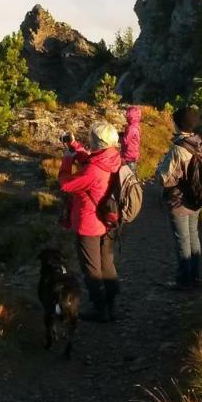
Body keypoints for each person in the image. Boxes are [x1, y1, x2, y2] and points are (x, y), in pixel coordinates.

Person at [58, 120, 122, 321]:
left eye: (91, 139)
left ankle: (99, 309)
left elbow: (66, 185)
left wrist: (67, 161)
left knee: (91, 269)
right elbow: (93, 160)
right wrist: (75, 148)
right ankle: (111, 303)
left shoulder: (93, 171)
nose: (89, 141)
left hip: (89, 224)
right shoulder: (112, 158)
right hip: (108, 221)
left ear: (99, 142)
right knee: (106, 263)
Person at [156, 106, 202, 290]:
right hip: (196, 198)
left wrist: (159, 167)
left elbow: (163, 177)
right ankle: (195, 276)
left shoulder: (178, 148)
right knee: (193, 236)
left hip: (179, 200)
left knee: (182, 239)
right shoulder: (200, 143)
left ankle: (183, 280)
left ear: (179, 124)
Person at [121, 105, 142, 175]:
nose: (126, 115)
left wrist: (119, 137)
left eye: (127, 114)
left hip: (128, 155)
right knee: (132, 171)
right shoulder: (136, 125)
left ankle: (131, 184)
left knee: (128, 173)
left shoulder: (131, 128)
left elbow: (125, 141)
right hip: (133, 154)